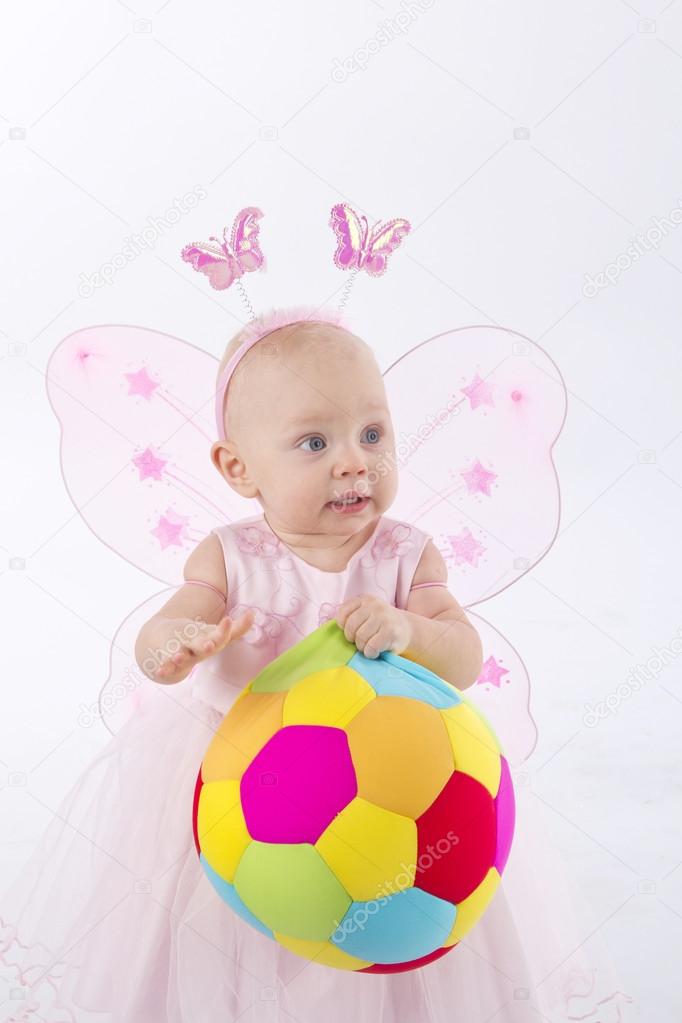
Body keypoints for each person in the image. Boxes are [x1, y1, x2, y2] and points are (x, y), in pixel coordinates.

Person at [0, 310, 635, 1022]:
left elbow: (464, 656)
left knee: (378, 927)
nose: (354, 461)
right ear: (239, 467)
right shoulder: (228, 556)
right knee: (221, 935)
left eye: (372, 433)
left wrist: (408, 628)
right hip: (245, 796)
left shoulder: (405, 553)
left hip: (389, 799)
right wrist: (178, 643)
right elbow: (157, 639)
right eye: (314, 441)